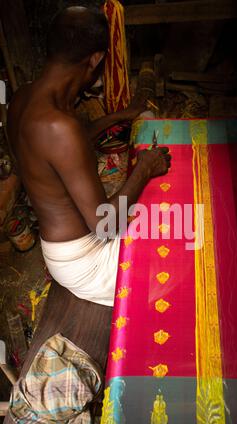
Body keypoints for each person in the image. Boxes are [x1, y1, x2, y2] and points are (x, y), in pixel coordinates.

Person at [7, 6, 171, 306]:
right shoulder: (61, 128)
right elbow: (105, 225)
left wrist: (120, 115)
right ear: (96, 59)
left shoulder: (22, 100)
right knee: (183, 251)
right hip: (89, 262)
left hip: (59, 249)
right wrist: (144, 168)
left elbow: (55, 150)